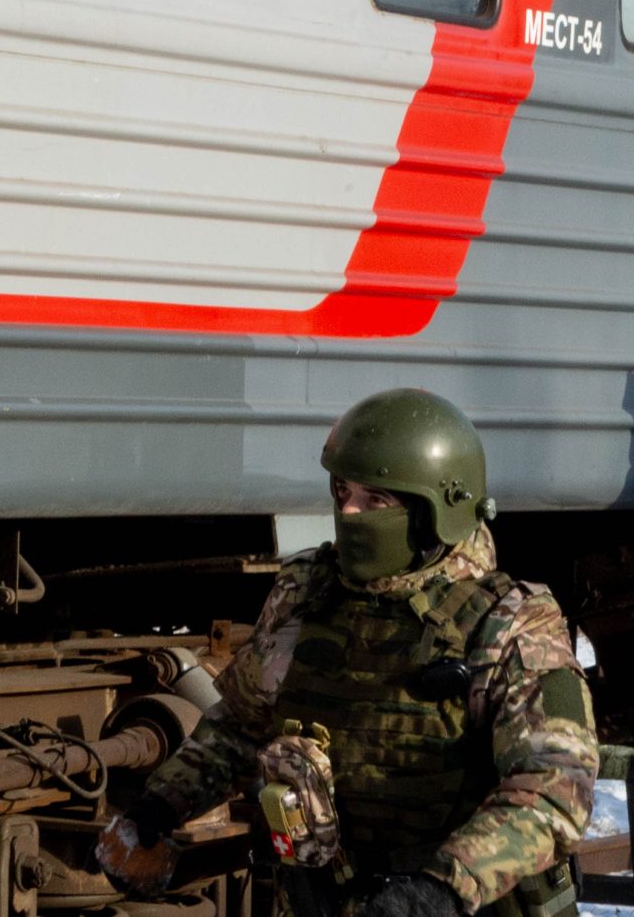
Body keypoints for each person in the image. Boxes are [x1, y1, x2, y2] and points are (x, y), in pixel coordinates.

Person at [95, 389, 597, 917]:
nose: (349, 512)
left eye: (376, 499)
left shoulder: (509, 624)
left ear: (435, 511)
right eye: (342, 491)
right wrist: (158, 807)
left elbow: (554, 792)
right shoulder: (307, 593)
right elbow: (240, 727)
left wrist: (442, 889)